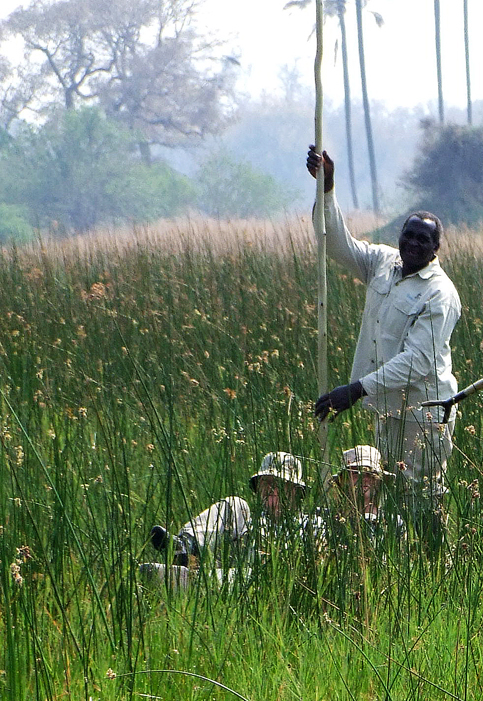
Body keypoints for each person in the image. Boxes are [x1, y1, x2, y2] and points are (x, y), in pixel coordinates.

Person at [303, 146, 462, 551]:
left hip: (424, 410)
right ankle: (397, 565)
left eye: (422, 239)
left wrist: (355, 390)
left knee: (421, 496)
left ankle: (435, 567)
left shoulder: (439, 294)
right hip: (387, 406)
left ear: (435, 248)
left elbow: (417, 362)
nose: (412, 243)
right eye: (408, 234)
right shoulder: (383, 264)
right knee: (388, 490)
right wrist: (327, 190)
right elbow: (337, 245)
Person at [147, 451, 311, 578]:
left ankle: (195, 578)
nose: (272, 490)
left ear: (296, 492)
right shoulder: (247, 520)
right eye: (266, 483)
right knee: (236, 503)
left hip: (267, 581)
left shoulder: (308, 526)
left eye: (281, 485)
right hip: (230, 576)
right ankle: (184, 547)